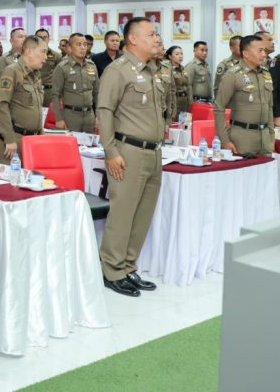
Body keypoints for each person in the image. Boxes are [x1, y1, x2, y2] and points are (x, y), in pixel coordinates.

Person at [96, 17, 165, 298]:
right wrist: (111, 151)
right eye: (151, 34)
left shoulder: (152, 71)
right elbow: (104, 111)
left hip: (154, 151)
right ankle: (111, 270)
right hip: (129, 151)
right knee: (123, 213)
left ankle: (127, 266)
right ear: (133, 39)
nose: (157, 38)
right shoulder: (118, 70)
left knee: (142, 214)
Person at [214, 35, 274, 156]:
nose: (264, 54)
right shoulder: (233, 75)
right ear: (246, 54)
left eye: (264, 50)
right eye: (260, 50)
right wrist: (224, 140)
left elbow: (269, 107)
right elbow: (219, 107)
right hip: (242, 139)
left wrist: (271, 136)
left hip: (265, 139)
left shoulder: (265, 74)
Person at [0, 35, 46, 164]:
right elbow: (2, 106)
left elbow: (35, 108)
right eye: (43, 52)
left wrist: (41, 135)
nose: (45, 57)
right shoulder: (12, 71)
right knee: (12, 177)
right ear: (29, 51)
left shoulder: (36, 74)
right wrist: (9, 139)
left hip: (33, 140)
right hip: (15, 140)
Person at [51, 33, 100, 133]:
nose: (83, 48)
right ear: (70, 48)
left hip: (89, 116)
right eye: (78, 44)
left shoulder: (92, 66)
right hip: (71, 116)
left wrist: (98, 116)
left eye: (85, 44)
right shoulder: (62, 67)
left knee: (89, 143)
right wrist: (58, 119)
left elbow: (97, 93)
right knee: (71, 142)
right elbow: (55, 95)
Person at [35, 28, 62, 107]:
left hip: (49, 92)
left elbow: (61, 77)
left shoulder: (56, 56)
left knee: (49, 114)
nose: (43, 39)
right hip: (33, 90)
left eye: (45, 37)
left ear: (49, 39)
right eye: (40, 37)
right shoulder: (30, 54)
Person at [166, 46, 191, 118]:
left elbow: (188, 86)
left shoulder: (183, 69)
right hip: (175, 102)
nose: (180, 56)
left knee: (185, 123)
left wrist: (190, 101)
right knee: (174, 122)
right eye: (177, 54)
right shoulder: (168, 69)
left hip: (185, 102)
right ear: (170, 56)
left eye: (181, 54)